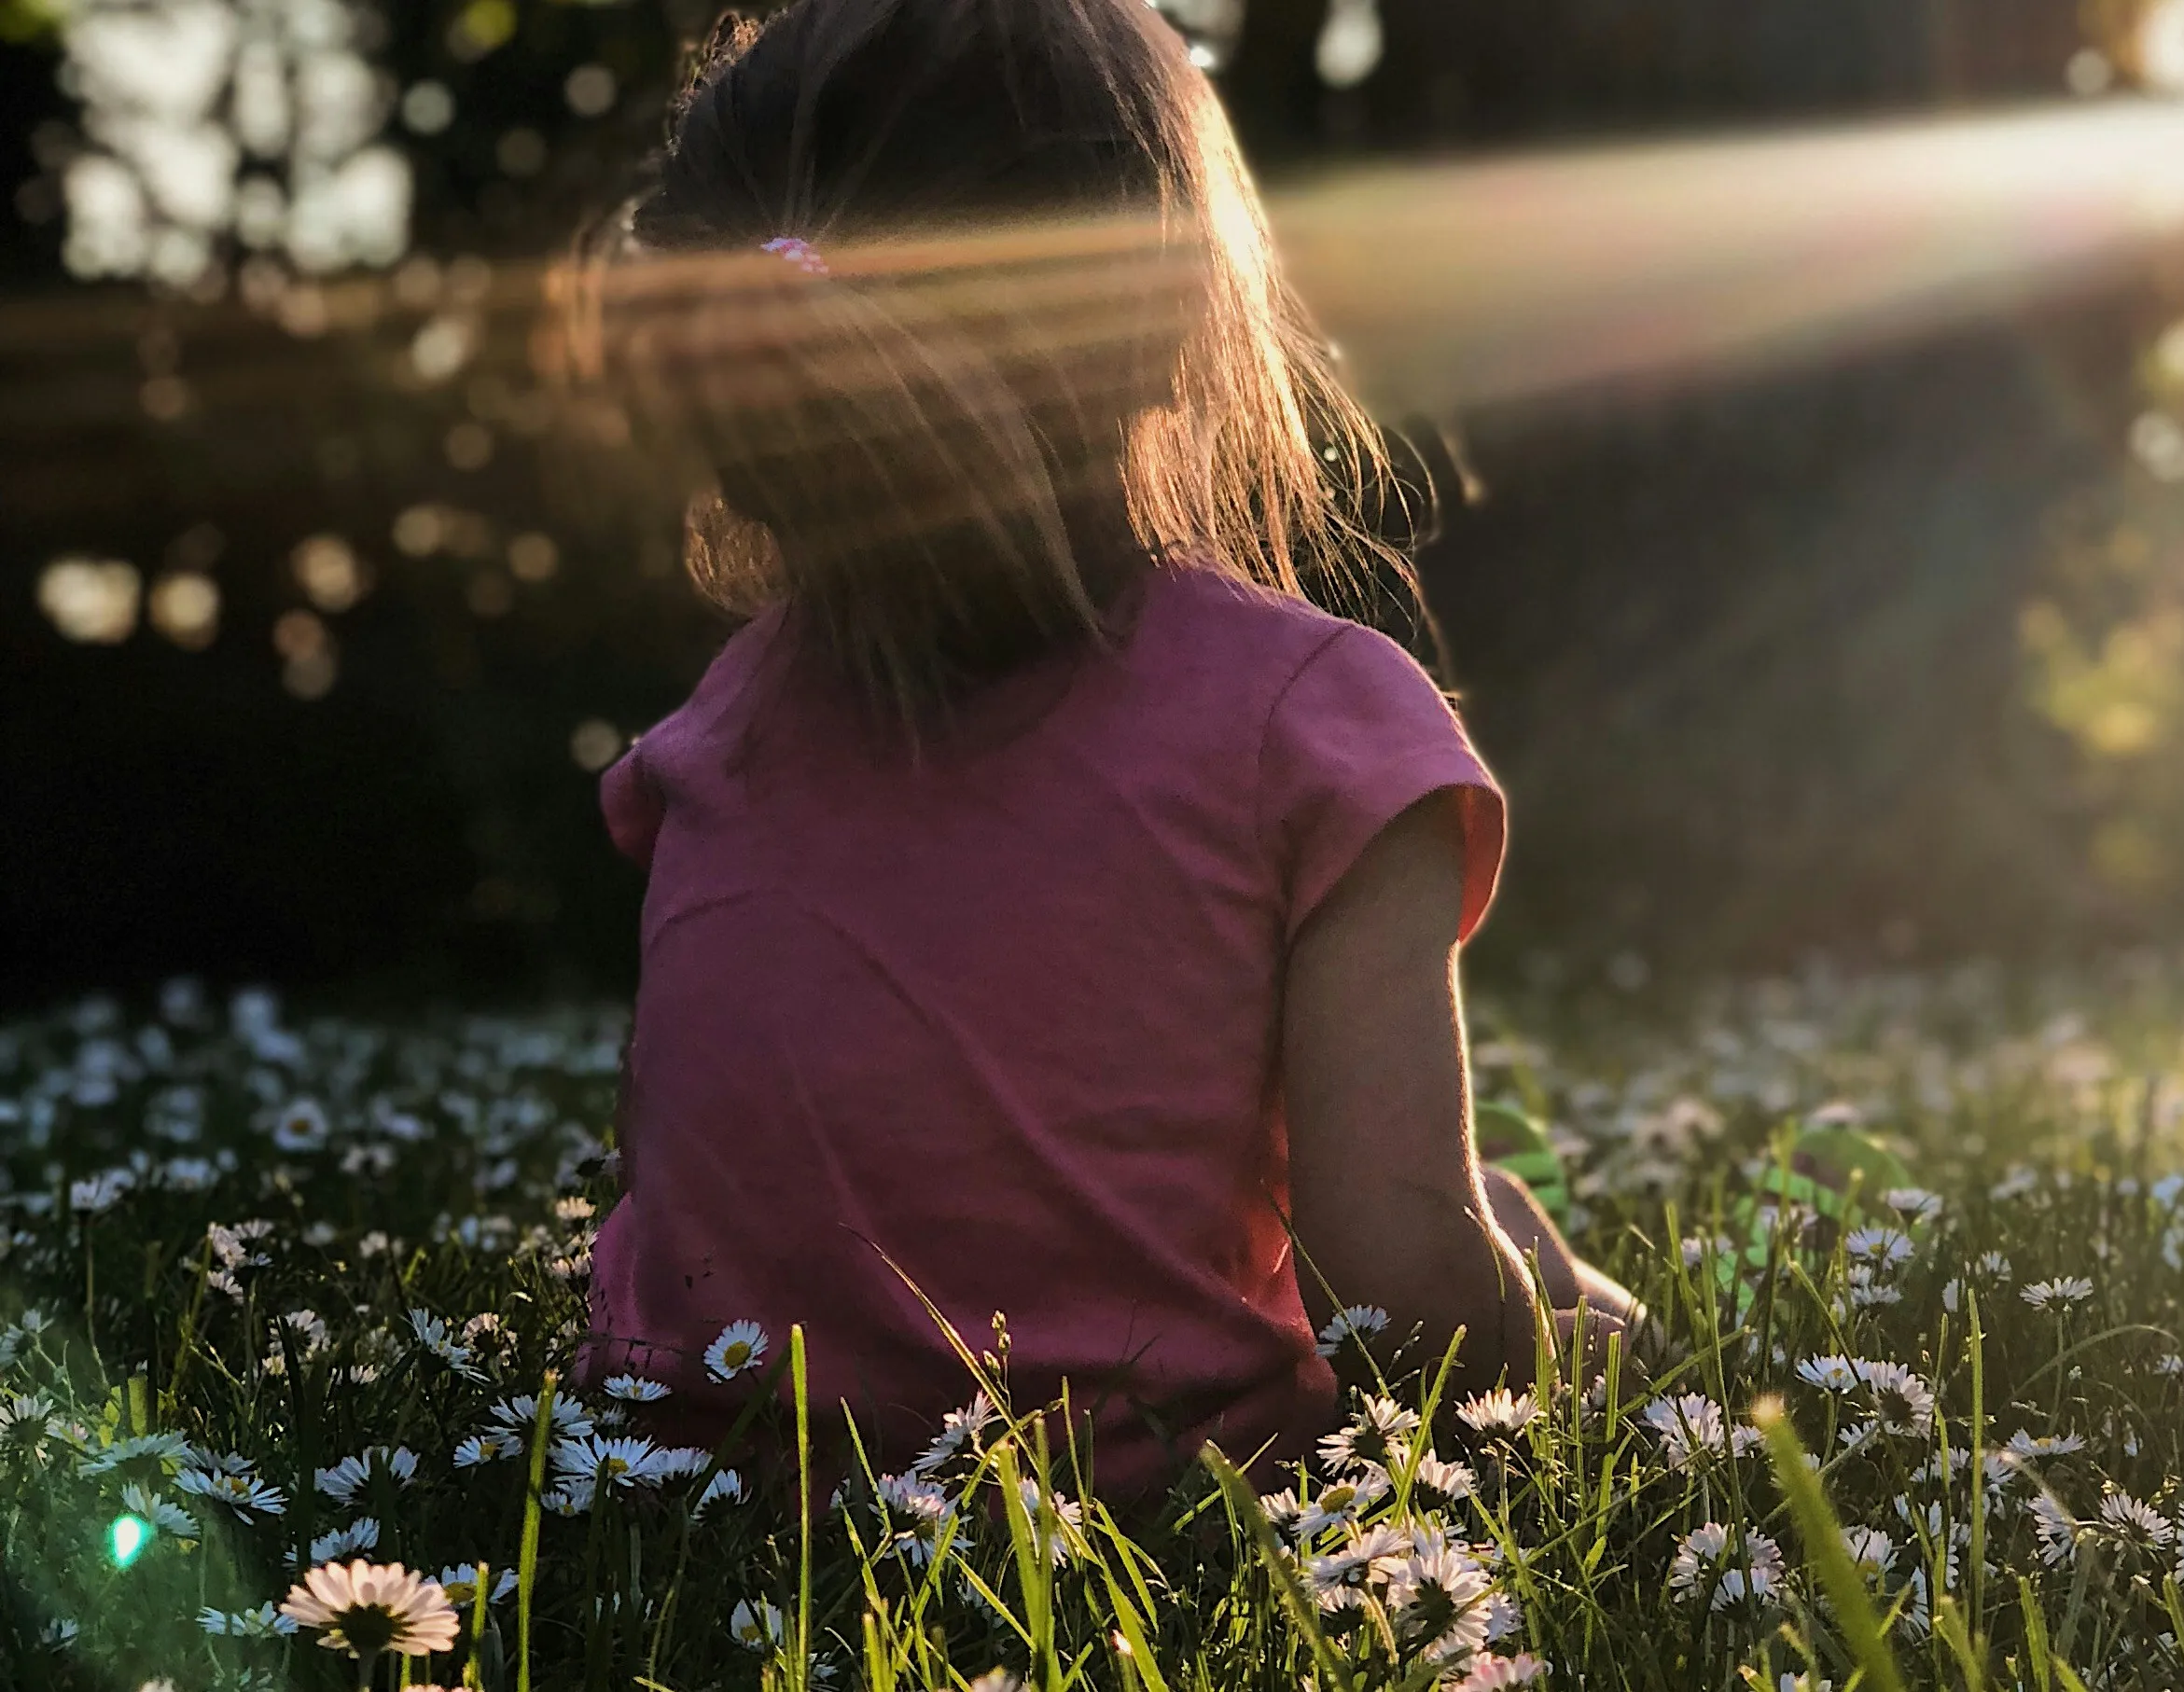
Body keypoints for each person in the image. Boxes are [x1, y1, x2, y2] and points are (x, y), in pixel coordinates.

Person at [577, 0, 1636, 1495]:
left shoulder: (716, 734)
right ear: (1168, 316)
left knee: (1489, 1215)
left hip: (706, 1491)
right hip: (1151, 1505)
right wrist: (1589, 1352)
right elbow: (1402, 1301)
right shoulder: (1312, 725)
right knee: (1509, 1248)